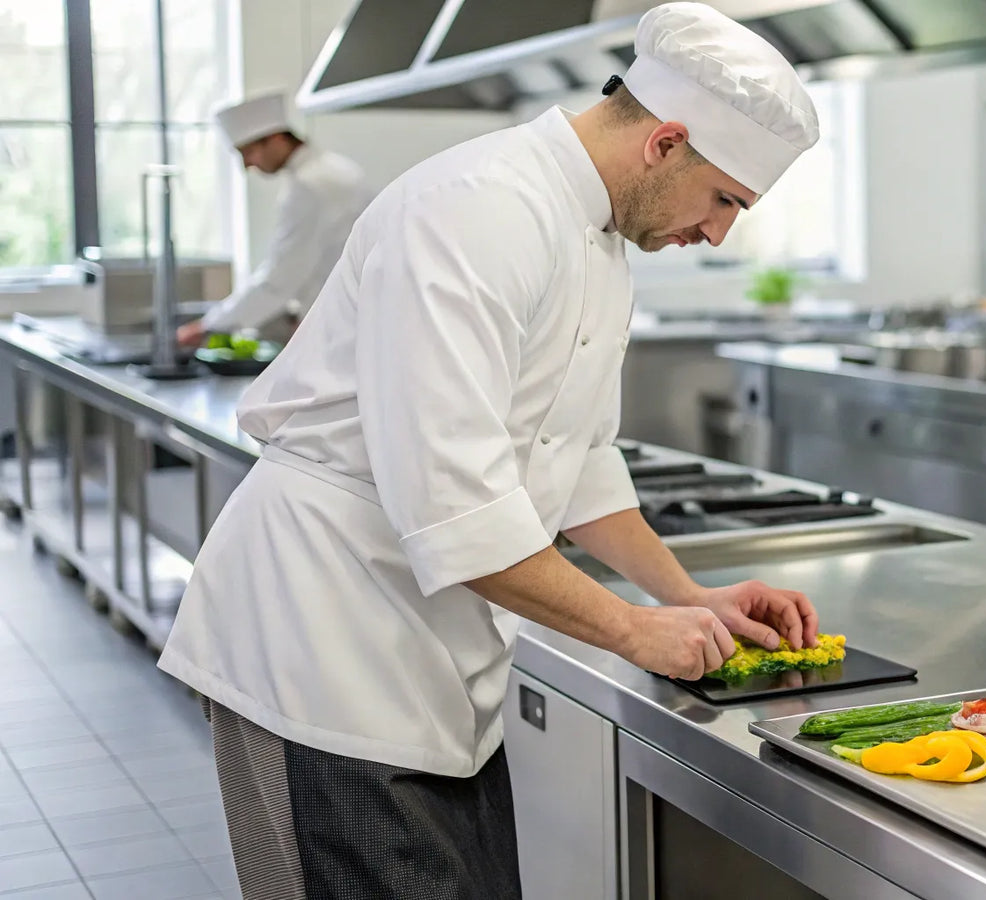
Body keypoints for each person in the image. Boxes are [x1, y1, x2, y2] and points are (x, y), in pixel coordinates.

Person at [156, 4, 821, 897]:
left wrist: (688, 596)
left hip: (438, 672)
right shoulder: (472, 210)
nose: (718, 233)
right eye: (725, 201)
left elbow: (578, 460)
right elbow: (453, 506)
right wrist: (633, 630)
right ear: (665, 144)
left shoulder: (602, 242)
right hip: (320, 651)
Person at [177, 91, 373, 348]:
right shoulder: (334, 169)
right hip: (350, 319)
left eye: (248, 152)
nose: (246, 165)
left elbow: (280, 279)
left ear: (276, 138)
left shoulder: (311, 185)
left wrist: (209, 325)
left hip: (341, 329)